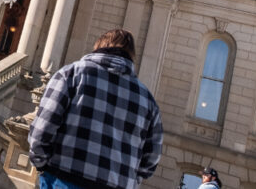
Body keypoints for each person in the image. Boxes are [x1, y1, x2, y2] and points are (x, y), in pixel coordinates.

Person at [28, 29, 163, 189]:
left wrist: (43, 165)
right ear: (131, 55)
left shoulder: (71, 74)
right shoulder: (148, 100)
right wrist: (128, 180)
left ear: (99, 46)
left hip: (64, 178)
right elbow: (152, 157)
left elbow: (42, 131)